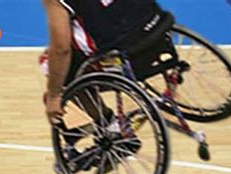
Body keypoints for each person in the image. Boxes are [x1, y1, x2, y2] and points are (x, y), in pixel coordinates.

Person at [41, 0, 170, 124]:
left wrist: (54, 95)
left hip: (122, 57)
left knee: (50, 62)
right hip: (156, 32)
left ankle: (109, 125)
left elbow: (61, 50)